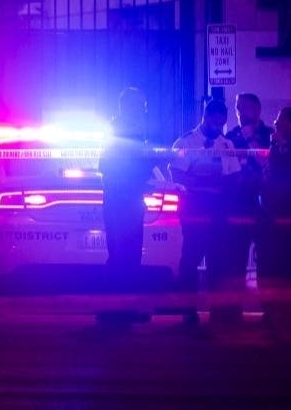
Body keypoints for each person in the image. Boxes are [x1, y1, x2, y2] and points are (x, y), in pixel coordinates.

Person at [169, 99, 242, 294]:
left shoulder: (226, 144)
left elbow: (234, 175)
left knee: (218, 261)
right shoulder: (187, 142)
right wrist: (204, 183)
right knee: (191, 259)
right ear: (205, 117)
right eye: (214, 123)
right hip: (195, 208)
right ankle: (187, 312)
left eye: (221, 124)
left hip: (219, 210)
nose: (218, 128)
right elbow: (177, 174)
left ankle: (217, 314)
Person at [98, 87, 157, 290]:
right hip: (122, 203)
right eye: (141, 106)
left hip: (124, 201)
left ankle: (122, 307)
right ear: (129, 107)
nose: (143, 110)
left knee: (125, 254)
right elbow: (110, 167)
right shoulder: (123, 132)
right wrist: (147, 163)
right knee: (125, 254)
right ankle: (118, 309)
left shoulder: (124, 131)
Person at [224, 92, 273, 291]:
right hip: (238, 204)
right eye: (237, 108)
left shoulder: (270, 135)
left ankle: (269, 311)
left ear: (258, 109)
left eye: (245, 107)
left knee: (267, 258)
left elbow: (268, 164)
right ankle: (231, 311)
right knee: (234, 256)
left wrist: (251, 138)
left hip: (264, 204)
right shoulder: (230, 137)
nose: (240, 112)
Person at [259, 107, 291, 290]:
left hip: (284, 213)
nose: (276, 123)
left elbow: (276, 174)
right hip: (274, 214)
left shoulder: (282, 149)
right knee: (274, 263)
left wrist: (277, 147)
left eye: (281, 120)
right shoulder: (279, 147)